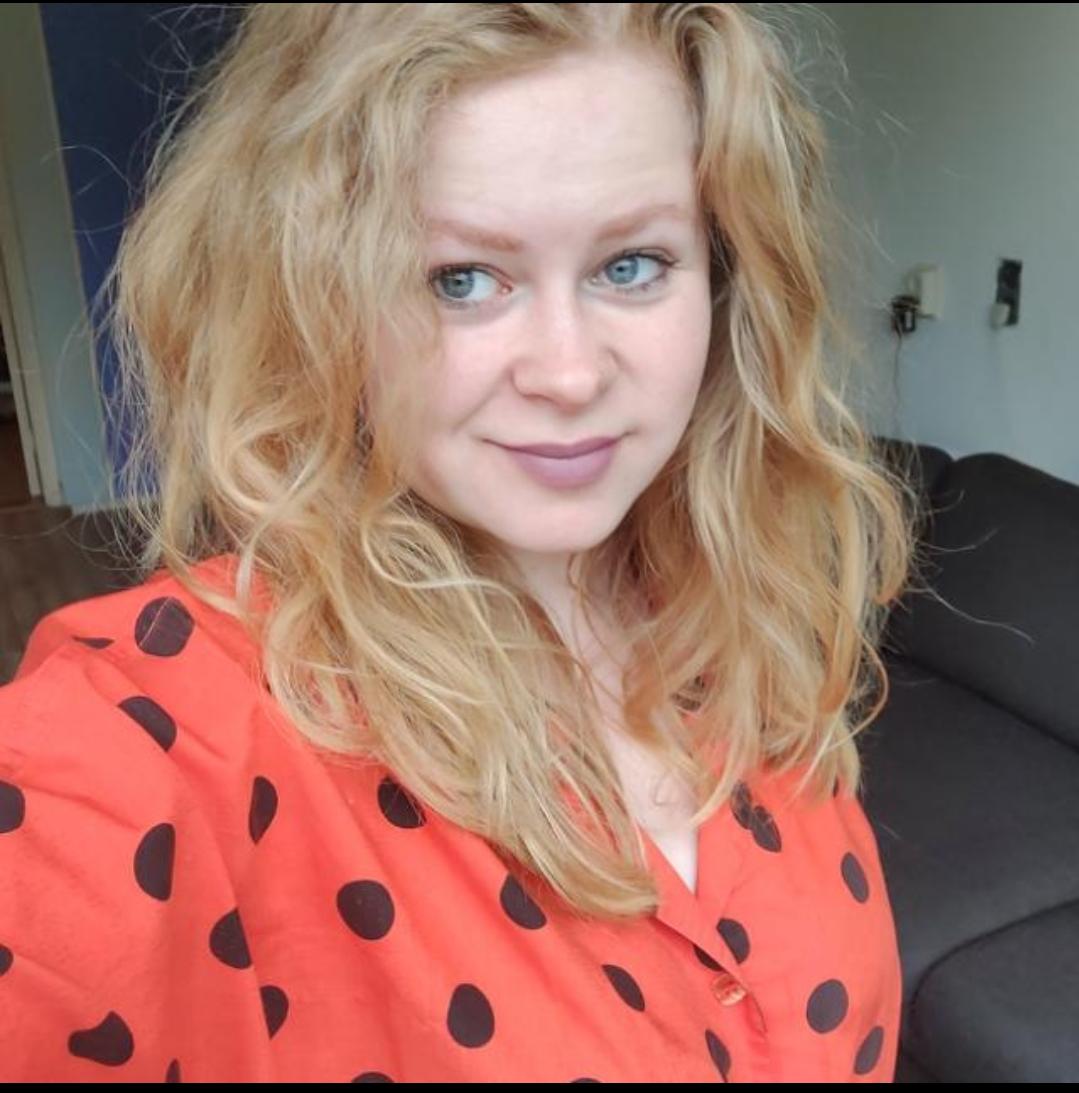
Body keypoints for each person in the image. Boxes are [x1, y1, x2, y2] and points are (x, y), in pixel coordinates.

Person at [0, 3, 925, 1081]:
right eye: (460, 279)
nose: (569, 374)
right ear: (318, 301)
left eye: (631, 263)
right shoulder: (161, 728)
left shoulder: (735, 612)